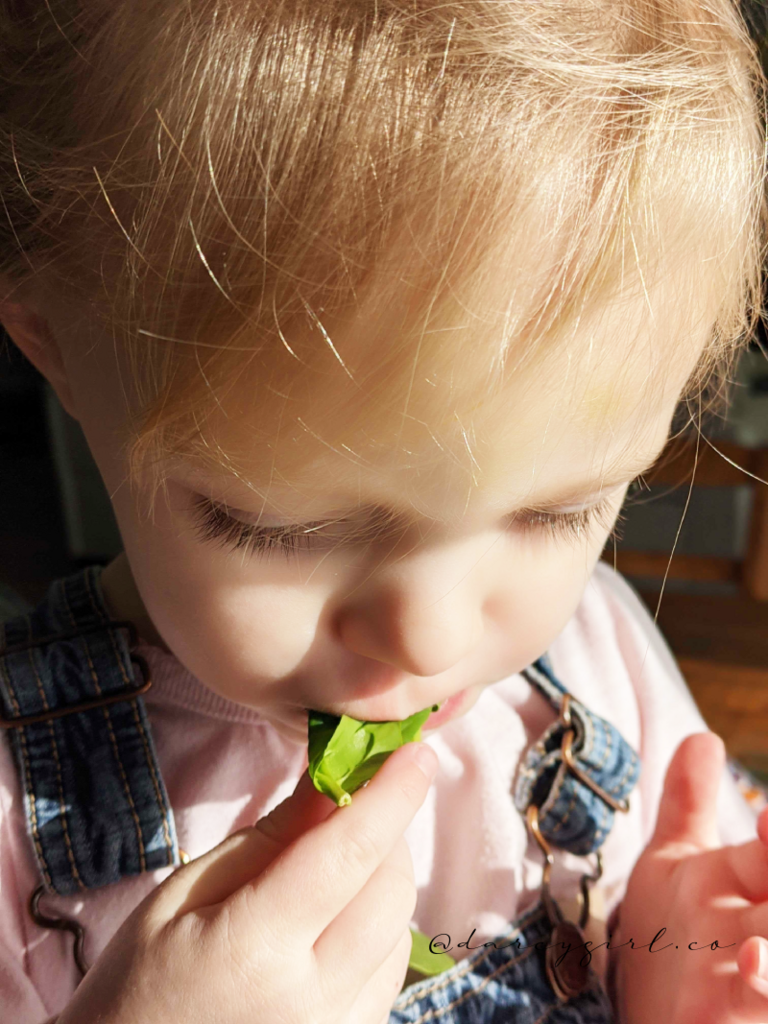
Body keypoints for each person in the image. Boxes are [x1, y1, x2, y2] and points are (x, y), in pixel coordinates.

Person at [0, 1, 766, 1021]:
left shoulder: (598, 664)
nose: (430, 634)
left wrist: (677, 979)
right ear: (48, 338)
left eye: (557, 511)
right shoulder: (21, 842)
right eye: (286, 528)